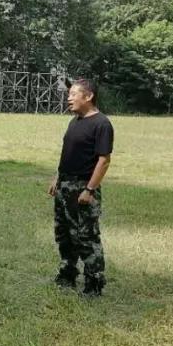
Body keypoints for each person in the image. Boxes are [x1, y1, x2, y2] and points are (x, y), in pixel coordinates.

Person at [48, 78, 114, 297]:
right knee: (64, 234)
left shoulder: (101, 124)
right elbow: (67, 153)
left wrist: (90, 189)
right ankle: (67, 275)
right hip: (65, 185)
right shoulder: (74, 121)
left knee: (86, 237)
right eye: (69, 95)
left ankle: (94, 284)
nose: (69, 98)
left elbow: (104, 160)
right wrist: (57, 177)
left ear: (88, 96)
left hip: (83, 187)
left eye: (73, 94)